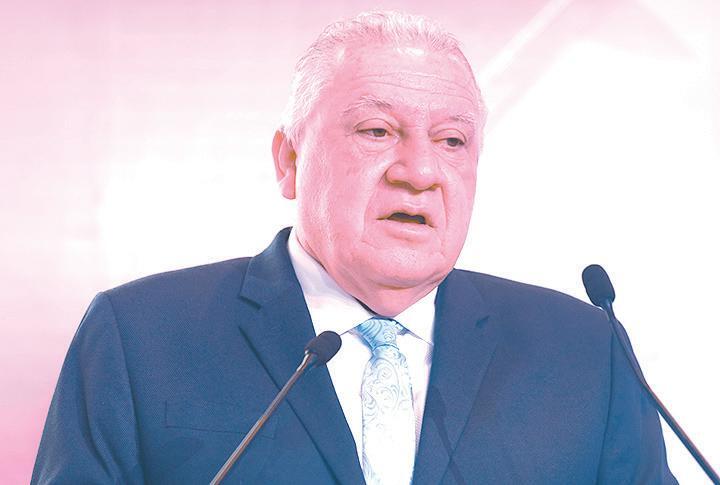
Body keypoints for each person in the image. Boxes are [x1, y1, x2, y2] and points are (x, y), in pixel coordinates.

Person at [32, 10, 676, 484]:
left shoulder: (585, 352)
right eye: (377, 130)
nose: (419, 171)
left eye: (452, 141)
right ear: (289, 160)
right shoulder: (139, 338)